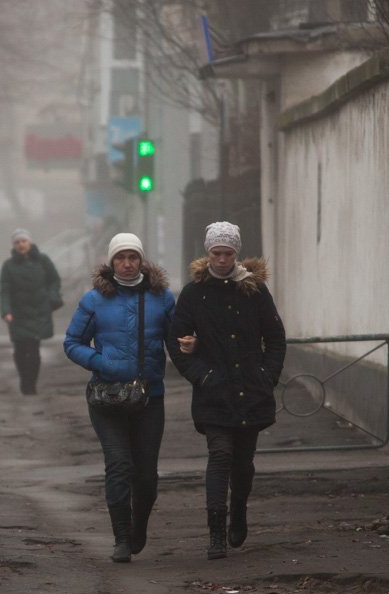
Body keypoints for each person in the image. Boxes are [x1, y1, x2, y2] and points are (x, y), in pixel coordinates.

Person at [167, 221, 286, 560]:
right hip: (214, 392)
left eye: (228, 254)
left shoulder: (254, 290)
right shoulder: (193, 294)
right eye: (216, 253)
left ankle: (239, 509)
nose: (221, 260)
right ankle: (216, 533)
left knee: (243, 463)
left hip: (251, 390)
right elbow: (176, 343)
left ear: (237, 254)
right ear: (208, 254)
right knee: (220, 455)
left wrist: (267, 375)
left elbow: (275, 337)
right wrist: (200, 375)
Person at [64, 233, 175, 563]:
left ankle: (139, 525)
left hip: (149, 397)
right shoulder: (94, 300)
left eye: (133, 257)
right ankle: (122, 538)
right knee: (118, 466)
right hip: (107, 399)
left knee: (146, 473)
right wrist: (102, 363)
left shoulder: (162, 298)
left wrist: (193, 355)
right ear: (111, 263)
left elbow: (178, 339)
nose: (127, 263)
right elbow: (72, 343)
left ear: (142, 261)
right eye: (120, 258)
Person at [0, 229, 62, 395]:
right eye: (17, 242)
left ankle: (30, 385)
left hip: (39, 311)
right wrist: (6, 311)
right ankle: (24, 380)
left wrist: (51, 296)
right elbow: (4, 290)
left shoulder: (43, 260)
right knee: (20, 350)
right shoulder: (8, 266)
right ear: (14, 245)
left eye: (23, 241)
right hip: (18, 314)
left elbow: (54, 280)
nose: (21, 245)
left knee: (34, 349)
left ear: (30, 242)